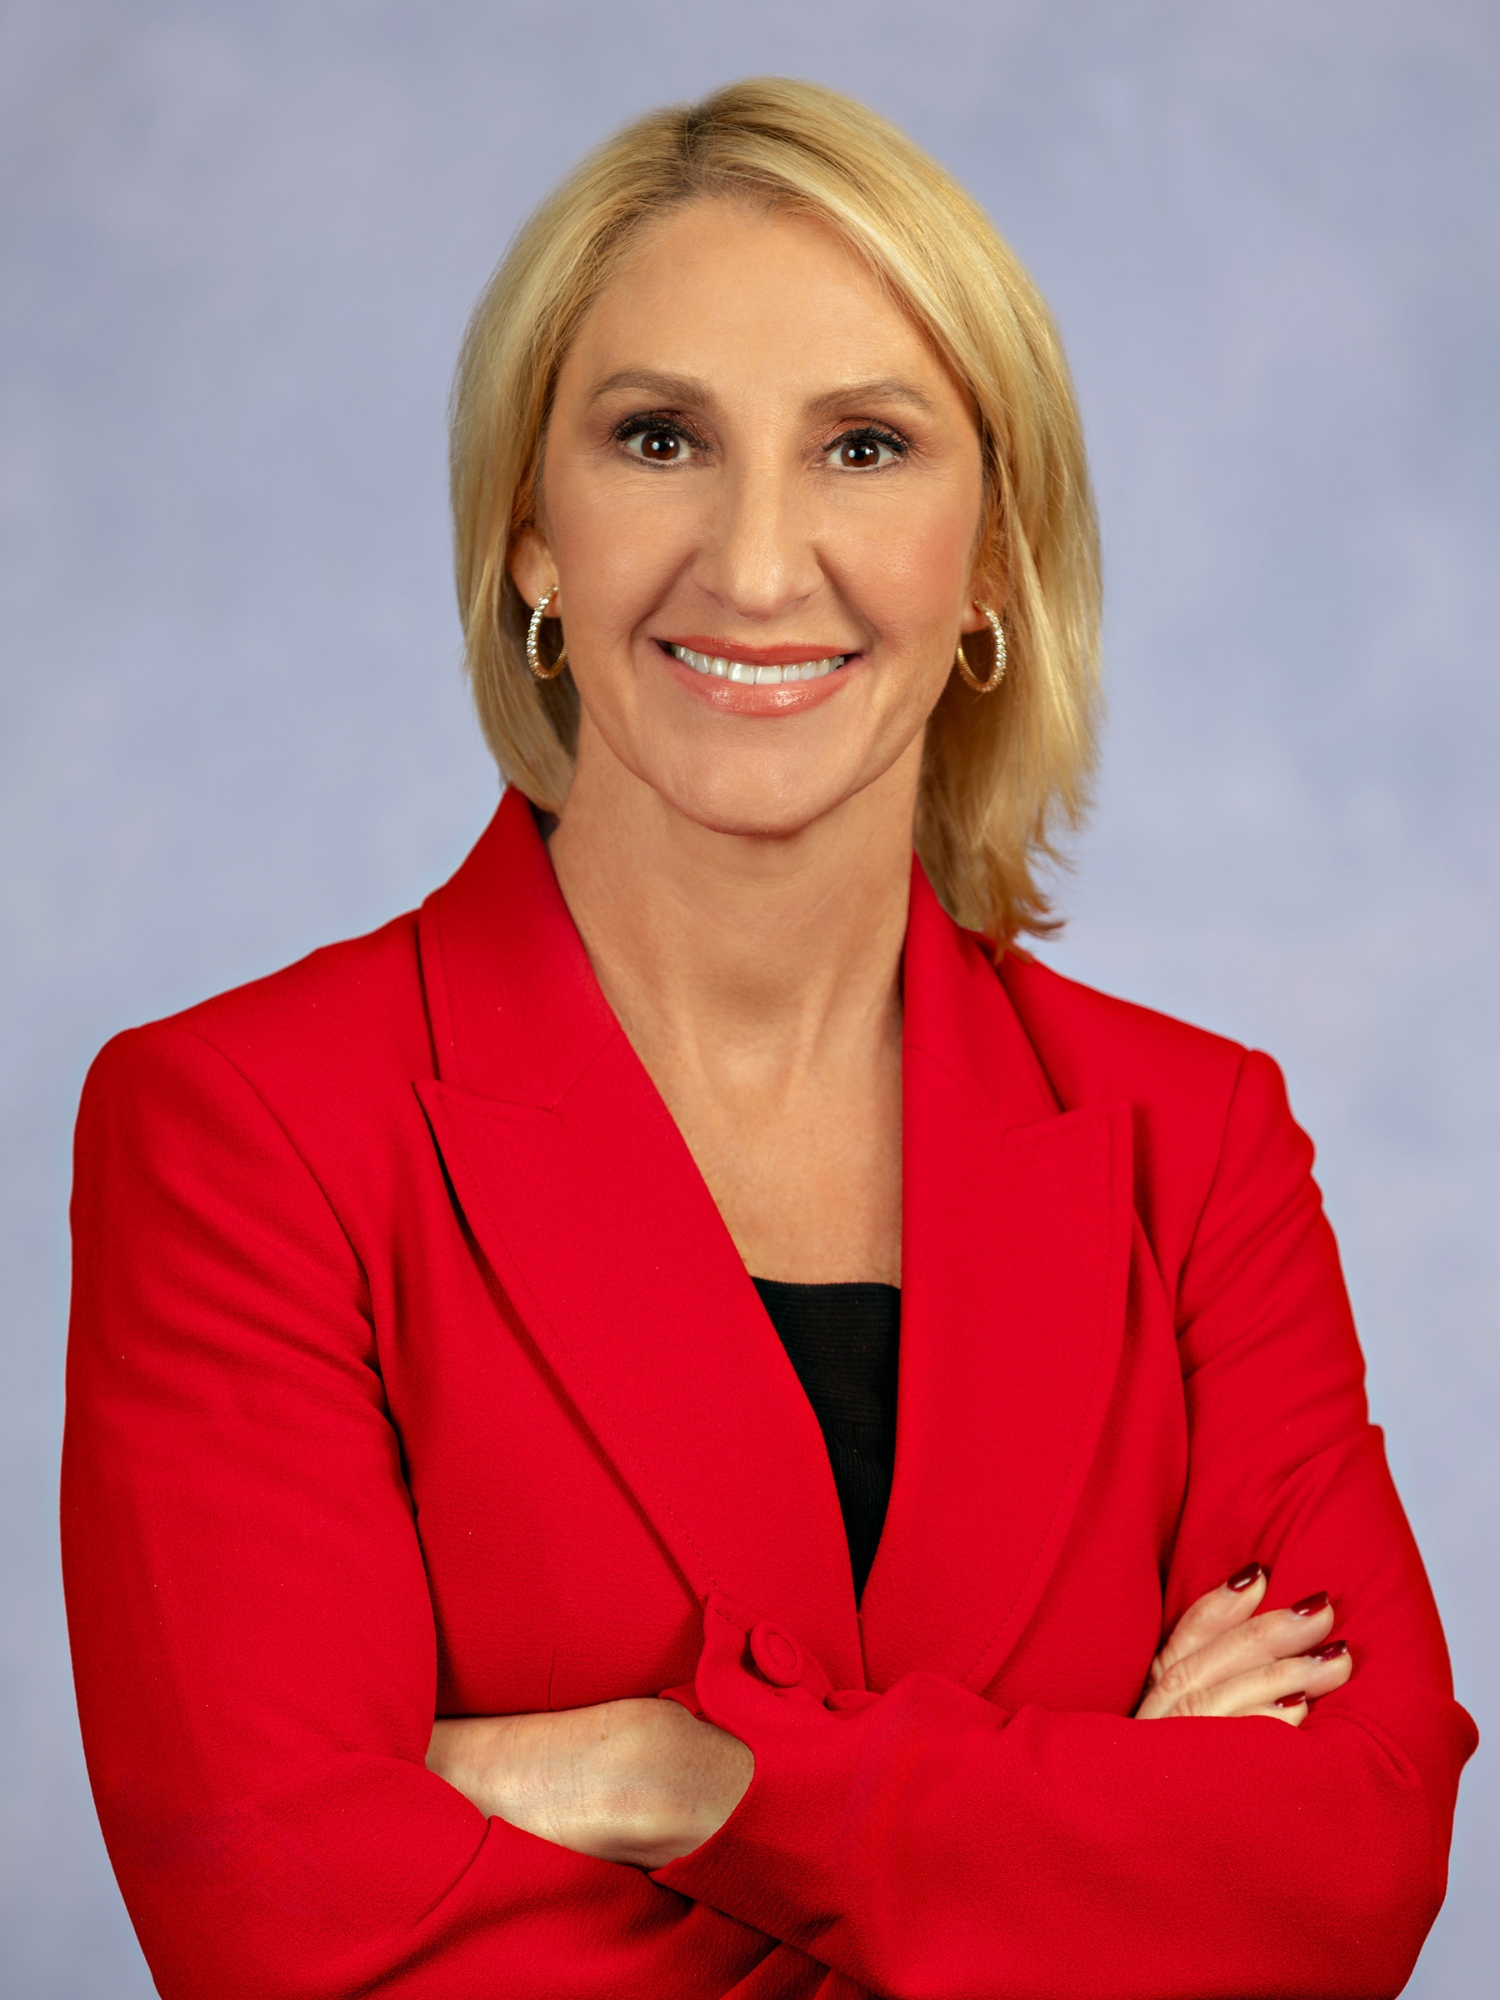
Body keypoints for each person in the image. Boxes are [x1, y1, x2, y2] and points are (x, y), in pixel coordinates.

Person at [62, 77, 1475, 2000]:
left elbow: (1353, 1866)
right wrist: (1106, 1825)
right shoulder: (244, 1127)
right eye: (659, 438)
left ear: (992, 561)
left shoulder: (1194, 1138)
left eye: (866, 447)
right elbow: (291, 1935)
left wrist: (678, 1779)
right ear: (530, 538)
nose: (752, 561)